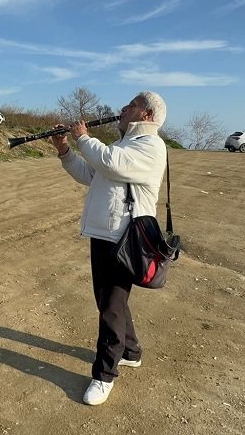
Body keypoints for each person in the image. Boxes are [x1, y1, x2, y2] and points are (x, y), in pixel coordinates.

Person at [50, 91, 167, 406]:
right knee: (111, 300)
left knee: (111, 307)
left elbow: (110, 163)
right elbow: (91, 174)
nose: (123, 109)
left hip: (125, 237)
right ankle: (131, 351)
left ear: (146, 115)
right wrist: (65, 150)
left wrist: (84, 138)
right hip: (105, 233)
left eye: (131, 105)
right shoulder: (124, 144)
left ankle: (104, 375)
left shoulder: (151, 146)